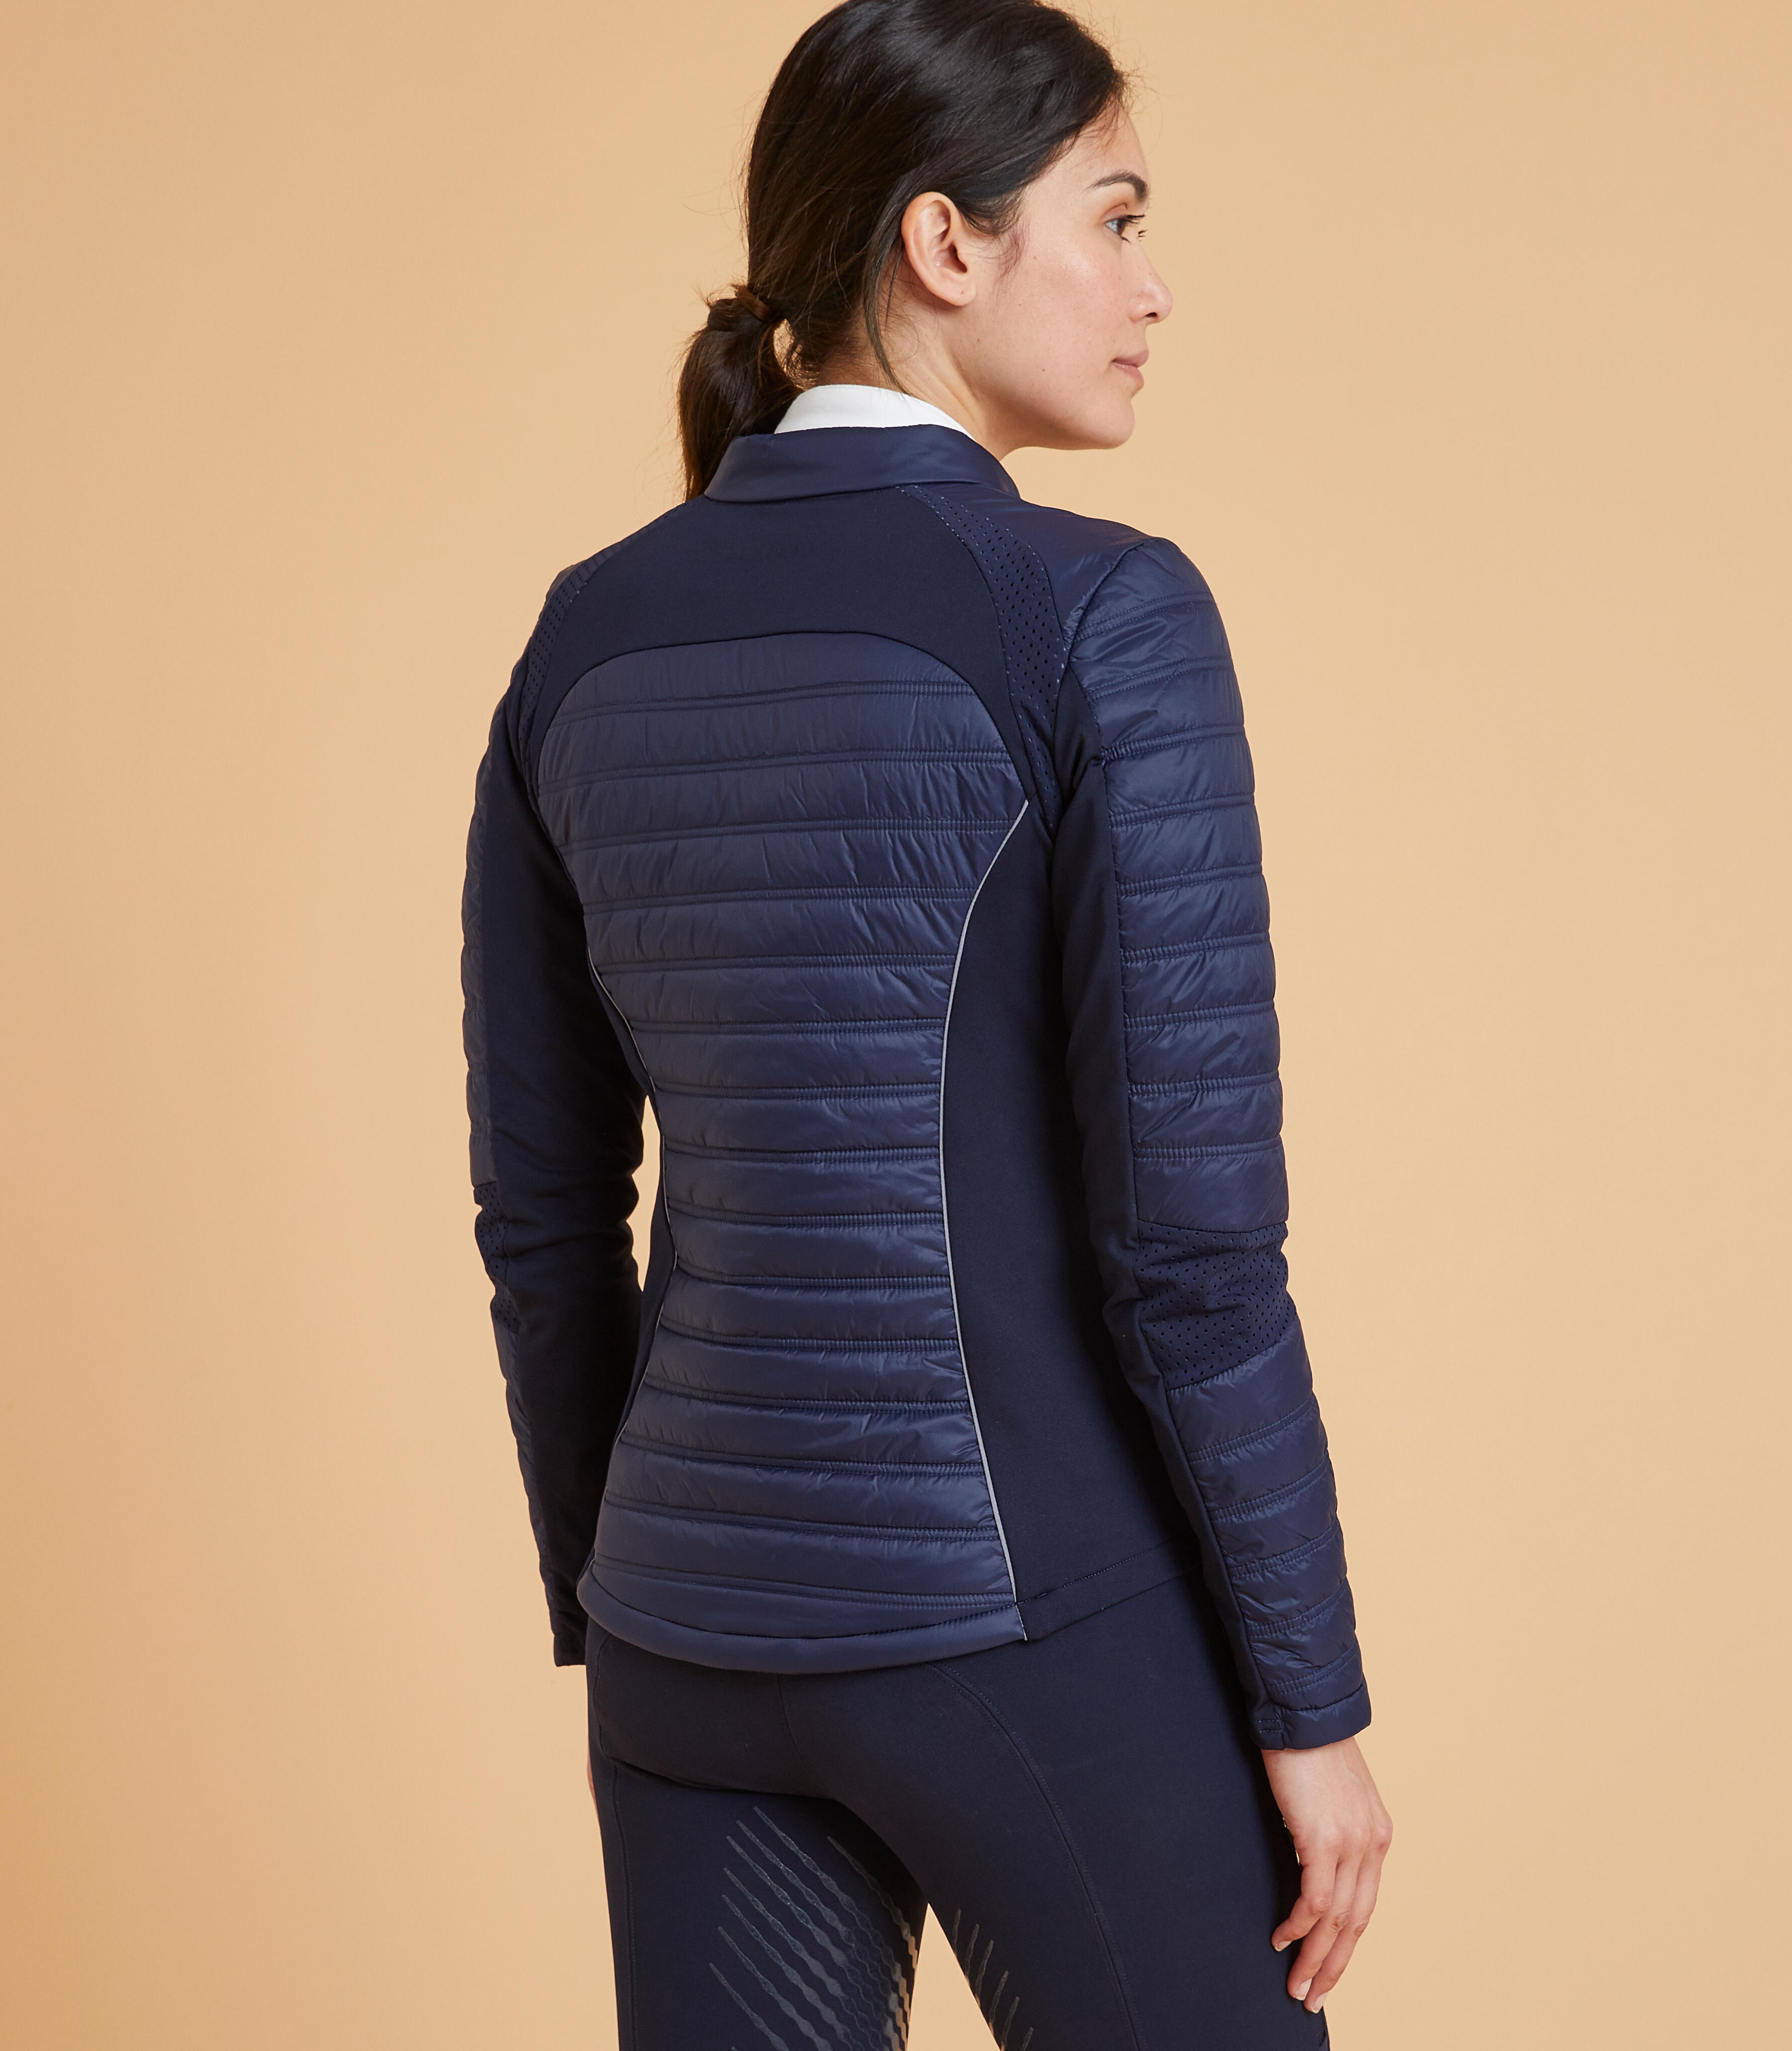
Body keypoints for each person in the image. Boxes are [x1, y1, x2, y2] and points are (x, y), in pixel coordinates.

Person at [461, 3, 1391, 2043]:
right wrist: (1310, 1703)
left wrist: (622, 1589)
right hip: (1027, 1626)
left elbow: (544, 1219)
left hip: (687, 1655)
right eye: (1115, 218)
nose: (1153, 289)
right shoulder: (1100, 612)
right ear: (945, 243)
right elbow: (1189, 1251)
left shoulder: (580, 636)